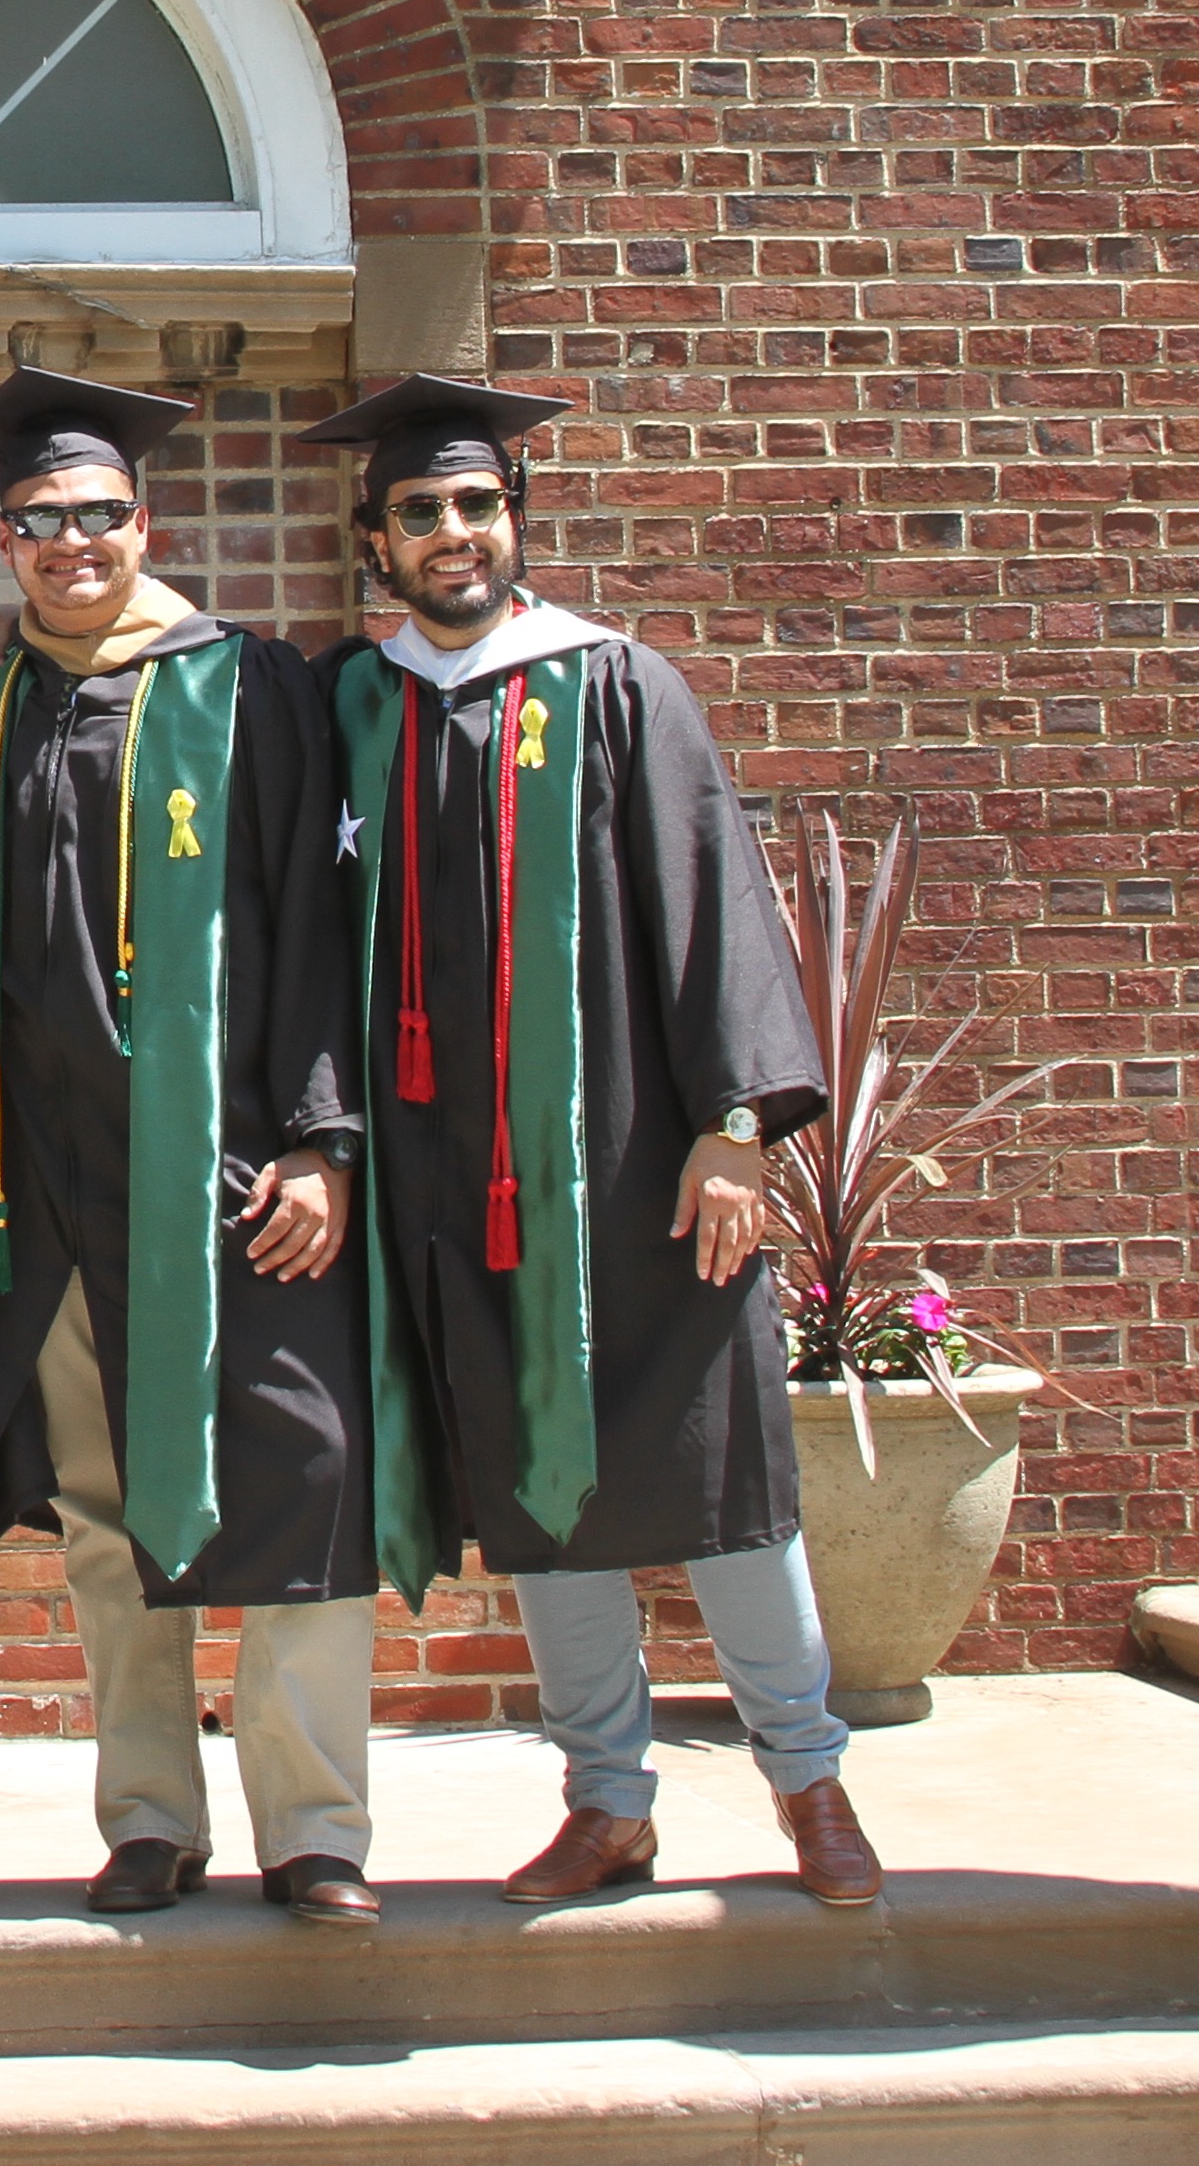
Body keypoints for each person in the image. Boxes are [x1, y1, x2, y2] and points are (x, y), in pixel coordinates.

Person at [299, 374, 875, 1912]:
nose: (451, 533)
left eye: (475, 505)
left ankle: (810, 1782)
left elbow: (709, 908)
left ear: (515, 518)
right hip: (449, 1188)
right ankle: (608, 1801)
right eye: (419, 511)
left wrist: (739, 1128)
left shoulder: (620, 686)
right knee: (540, 1483)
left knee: (718, 1477)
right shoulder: (352, 709)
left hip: (635, 1171)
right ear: (377, 538)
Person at [0, 364, 385, 1928]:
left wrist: (324, 1140)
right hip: (55, 1189)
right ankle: (150, 1819)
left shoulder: (254, 689)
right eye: (40, 519)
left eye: (99, 514)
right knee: (106, 1514)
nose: (72, 542)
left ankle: (317, 1828)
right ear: (6, 537)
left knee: (301, 1484)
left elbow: (321, 926)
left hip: (239, 1178)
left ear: (150, 519)